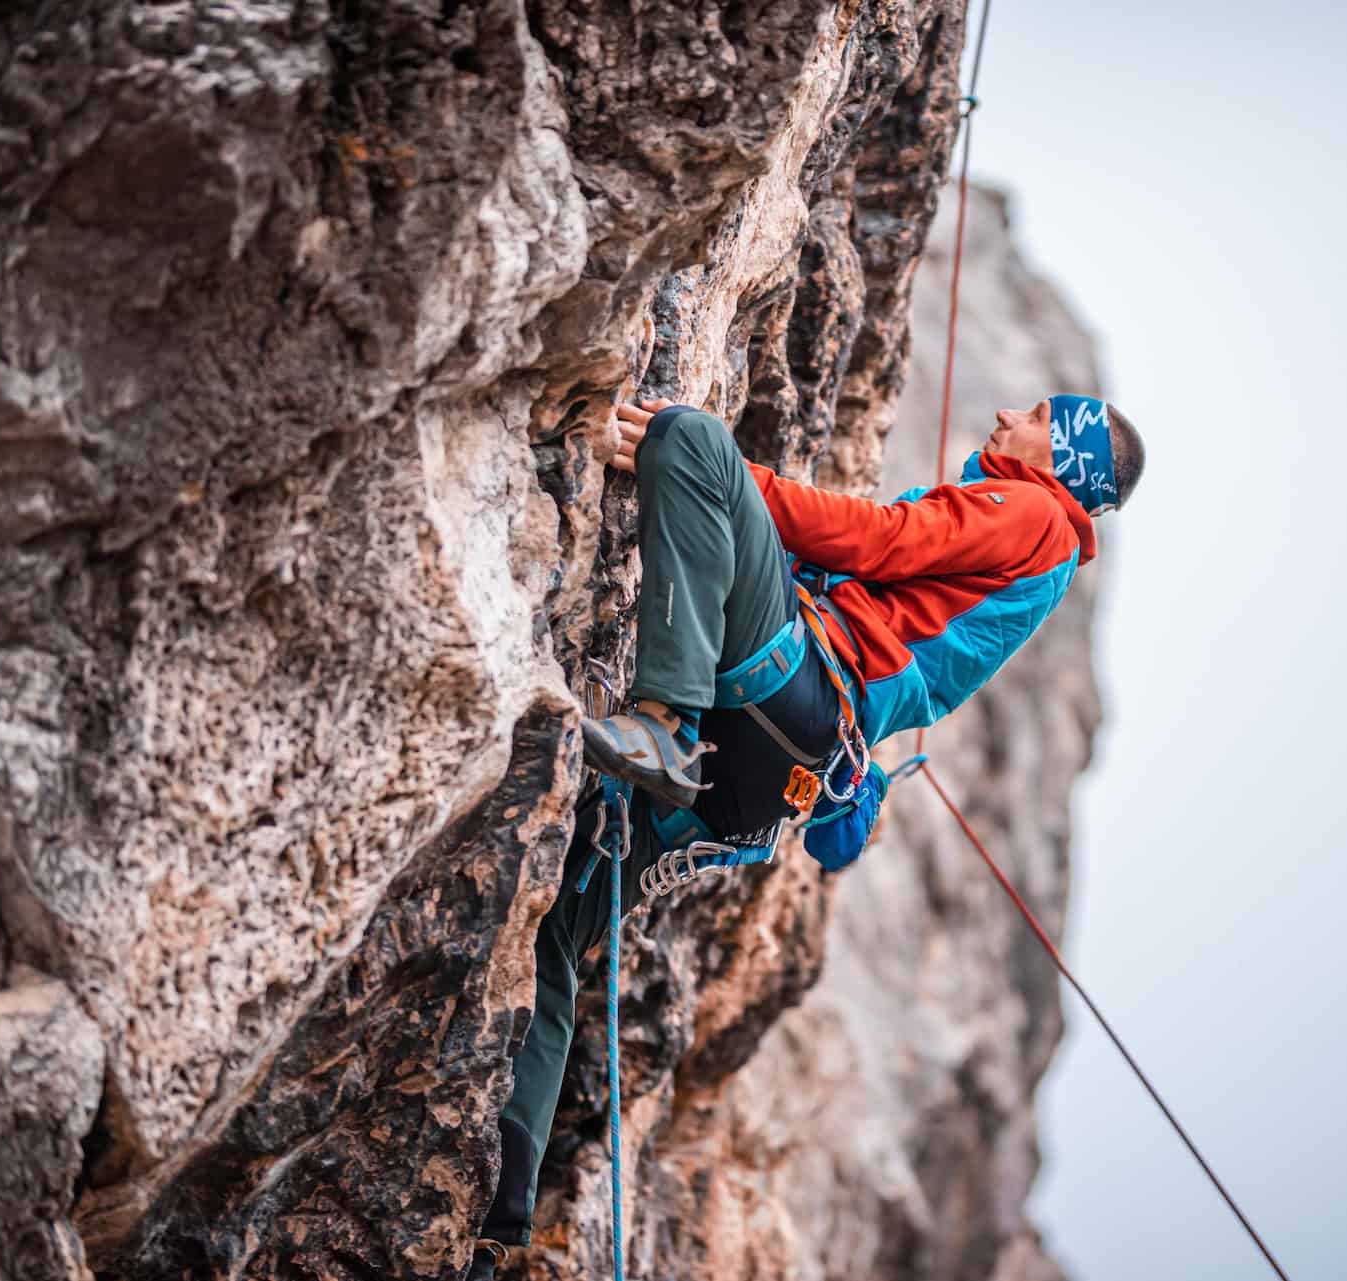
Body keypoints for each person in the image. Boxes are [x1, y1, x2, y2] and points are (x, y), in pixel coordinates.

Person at [467, 391, 1145, 1276]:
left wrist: (724, 482)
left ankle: (667, 720)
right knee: (555, 925)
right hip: (775, 773)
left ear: (1065, 457)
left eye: (1042, 416)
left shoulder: (1032, 511)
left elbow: (878, 540)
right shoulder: (1034, 575)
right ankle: (493, 1232)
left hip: (788, 687)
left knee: (690, 438)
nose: (1013, 411)